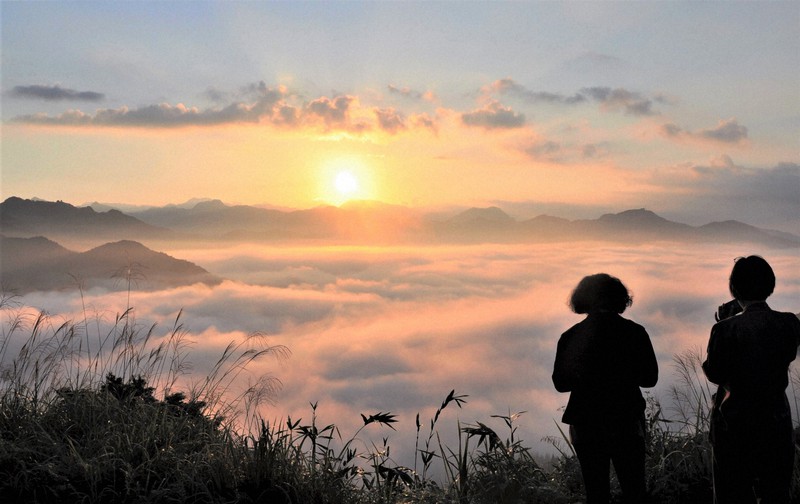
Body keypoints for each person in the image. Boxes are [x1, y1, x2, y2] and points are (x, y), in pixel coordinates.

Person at [552, 273, 658, 504]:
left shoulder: (571, 336)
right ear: (619, 298)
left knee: (596, 492)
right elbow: (650, 379)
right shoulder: (634, 332)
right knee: (634, 490)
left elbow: (560, 383)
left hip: (586, 422)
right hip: (626, 419)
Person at [702, 255, 800, 504]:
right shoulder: (790, 323)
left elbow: (715, 373)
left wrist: (726, 321)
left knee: (732, 493)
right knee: (776, 492)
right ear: (771, 285)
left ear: (734, 288)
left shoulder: (725, 329)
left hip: (734, 424)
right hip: (776, 421)